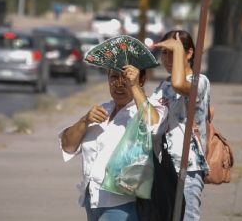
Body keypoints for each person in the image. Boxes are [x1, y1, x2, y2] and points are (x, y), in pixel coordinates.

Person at [59, 65, 165, 221]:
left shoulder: (151, 109)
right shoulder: (102, 110)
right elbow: (67, 146)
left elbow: (154, 125)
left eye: (127, 78)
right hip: (92, 201)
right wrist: (84, 121)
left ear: (141, 80)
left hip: (123, 204)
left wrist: (134, 85)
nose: (120, 83)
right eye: (114, 77)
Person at [150, 30, 210, 221]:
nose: (167, 58)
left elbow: (179, 84)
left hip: (189, 168)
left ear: (189, 53)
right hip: (164, 165)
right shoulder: (163, 86)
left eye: (173, 52)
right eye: (165, 53)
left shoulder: (200, 81)